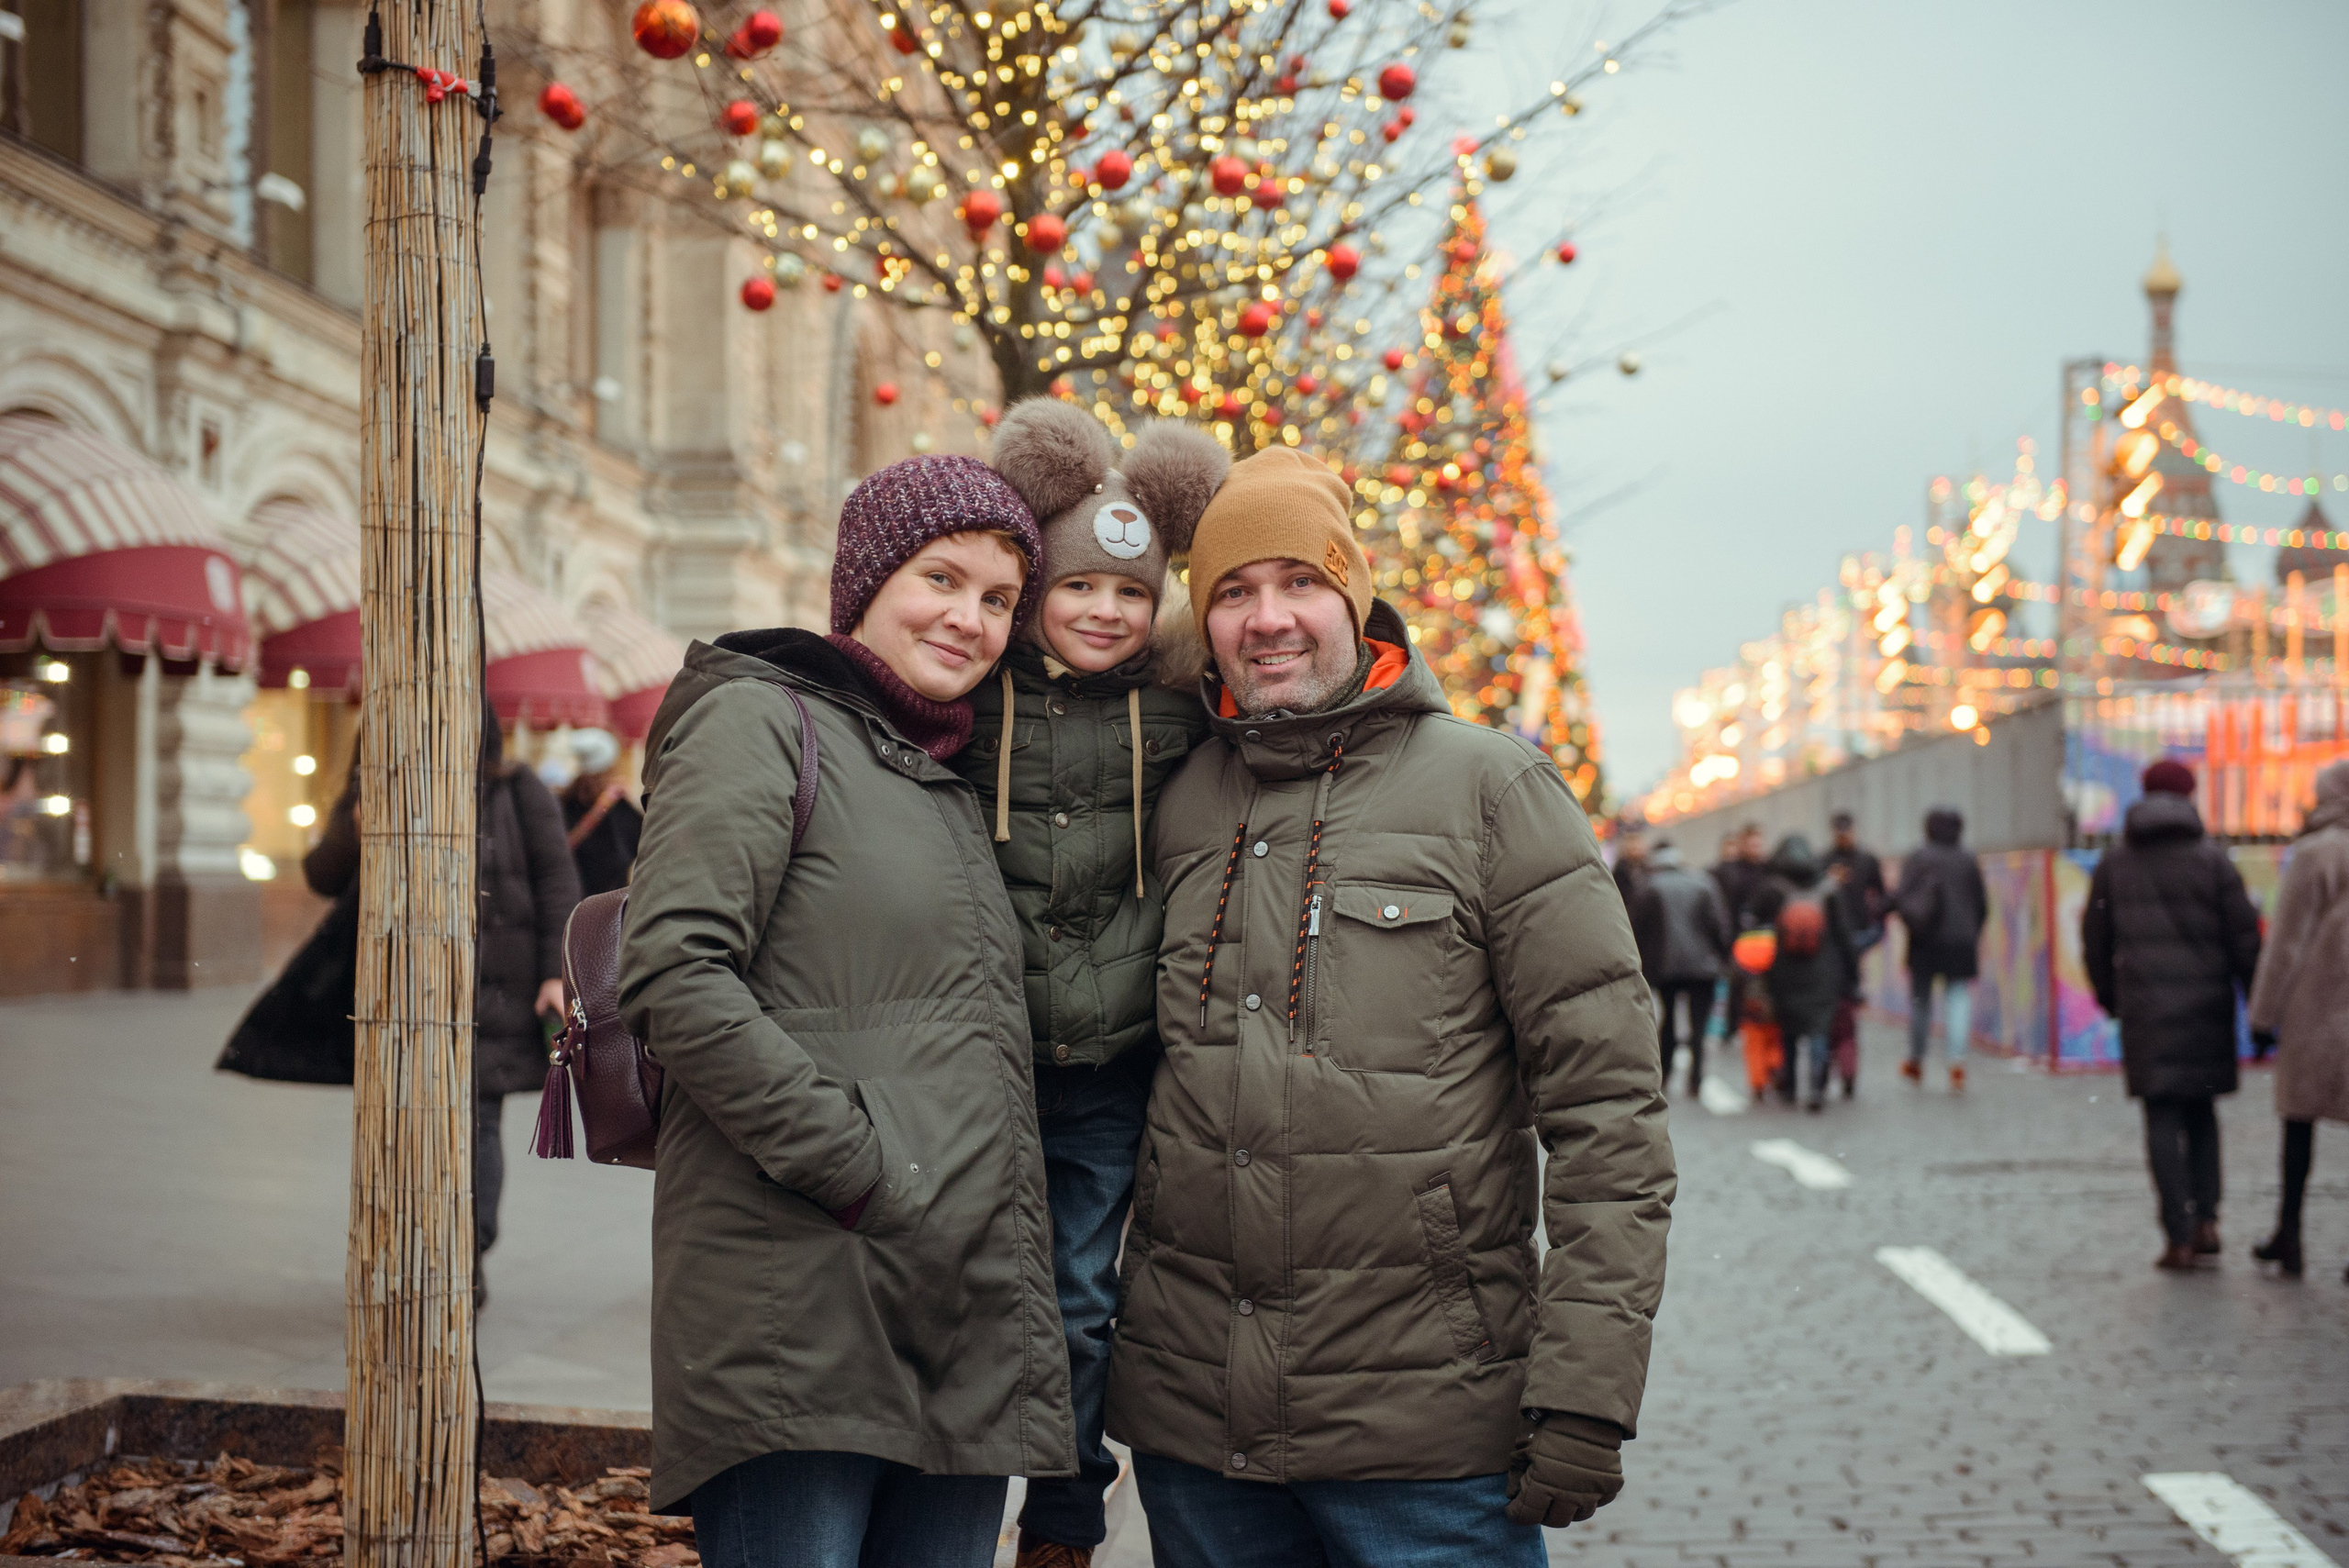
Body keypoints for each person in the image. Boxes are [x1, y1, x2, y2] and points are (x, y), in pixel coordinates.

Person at [1106, 447, 1675, 1566]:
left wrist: (1585, 1390)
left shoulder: (1489, 790)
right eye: (1232, 591)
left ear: (1354, 595)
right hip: (1199, 1437)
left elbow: (1609, 1113)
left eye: (1301, 581)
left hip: (1429, 1442)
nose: (1269, 618)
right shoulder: (1173, 801)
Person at [617, 456, 1074, 1565]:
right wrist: (862, 1165)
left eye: (998, 600)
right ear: (868, 578)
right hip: (804, 1294)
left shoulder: (939, 768)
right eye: (941, 578)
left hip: (949, 1300)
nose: (968, 619)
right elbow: (675, 970)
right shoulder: (761, 721)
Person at [954, 401, 1225, 1568]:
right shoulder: (972, 703)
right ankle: (947, 1499)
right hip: (983, 1054)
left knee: (1074, 1299)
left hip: (1109, 1065)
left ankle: (1063, 1515)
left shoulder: (1178, 711)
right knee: (964, 1292)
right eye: (1077, 589)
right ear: (1036, 589)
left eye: (1127, 592)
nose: (1103, 611)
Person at [304, 705, 578, 1307]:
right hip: (399, 997)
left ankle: (468, 1249)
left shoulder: (515, 788)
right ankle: (420, 1252)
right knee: (406, 1125)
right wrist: (355, 824)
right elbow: (321, 875)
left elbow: (557, 878)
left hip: (494, 991)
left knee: (478, 1123)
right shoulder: (374, 787)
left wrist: (557, 973)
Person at [2082, 759, 2262, 1272]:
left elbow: (2095, 939)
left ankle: (2177, 1234)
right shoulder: (2213, 861)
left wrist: (2111, 996)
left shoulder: (2116, 863)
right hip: (2206, 1005)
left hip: (2144, 1006)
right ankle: (2207, 1220)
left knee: (2160, 1115)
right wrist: (2258, 1007)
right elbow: (2244, 938)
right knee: (2202, 1112)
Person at [2245, 758, 2349, 1283]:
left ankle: (2290, 1234)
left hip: (2319, 1012)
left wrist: (2263, 1017)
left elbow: (2287, 943)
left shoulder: (2315, 854)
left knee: (2299, 1123)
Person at [1751, 834, 1856, 1113]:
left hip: (1783, 972)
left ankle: (1790, 1089)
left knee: (1789, 1031)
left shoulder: (1771, 890)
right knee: (1819, 1031)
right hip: (1823, 973)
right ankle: (1817, 1089)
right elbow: (1845, 937)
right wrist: (1852, 978)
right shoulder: (1829, 891)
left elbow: (1751, 928)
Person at [1893, 806, 1987, 1091]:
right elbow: (1981, 905)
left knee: (1921, 1000)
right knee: (1957, 998)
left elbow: (1902, 898)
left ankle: (1917, 1060)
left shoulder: (1920, 857)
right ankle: (1956, 1064)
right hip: (1961, 941)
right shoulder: (1968, 859)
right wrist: (1972, 932)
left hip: (1925, 940)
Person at [1631, 839, 1731, 1095]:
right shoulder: (1703, 882)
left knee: (1669, 1020)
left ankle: (1665, 1075)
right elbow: (1719, 925)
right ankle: (1696, 1079)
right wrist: (1723, 957)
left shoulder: (1649, 887)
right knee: (1699, 1025)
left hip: (1665, 966)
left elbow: (1636, 930)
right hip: (1703, 966)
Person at [1824, 810, 1887, 1098]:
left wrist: (1874, 928)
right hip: (1831, 941)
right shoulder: (1825, 861)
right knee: (1837, 1006)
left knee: (1844, 1006)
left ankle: (1845, 1067)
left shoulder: (1866, 860)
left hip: (1856, 937)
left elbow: (1883, 896)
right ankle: (1838, 1064)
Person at [561, 728, 643, 896]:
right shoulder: (618, 804)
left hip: (572, 896)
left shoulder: (565, 799)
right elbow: (642, 841)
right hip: (610, 901)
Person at [1611, 820, 1651, 909]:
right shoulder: (1619, 871)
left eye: (1637, 840)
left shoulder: (1650, 868)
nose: (1634, 846)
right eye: (1630, 841)